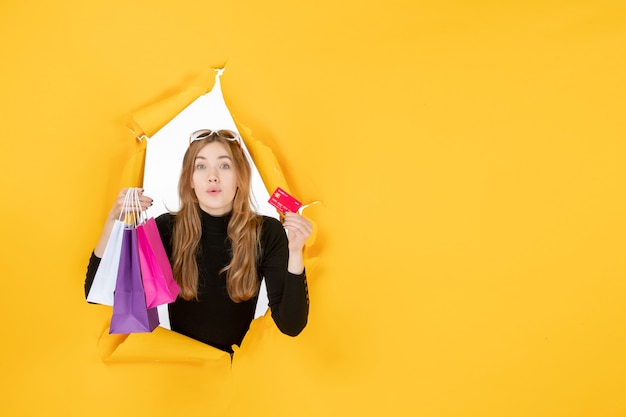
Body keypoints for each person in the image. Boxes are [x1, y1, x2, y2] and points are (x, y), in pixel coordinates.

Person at [84, 129, 312, 353]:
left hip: (238, 376)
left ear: (240, 177)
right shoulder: (167, 229)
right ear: (190, 180)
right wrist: (114, 221)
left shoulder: (266, 231)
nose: (213, 176)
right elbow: (97, 295)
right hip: (183, 373)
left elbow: (291, 325)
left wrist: (295, 252)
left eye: (225, 165)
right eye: (201, 166)